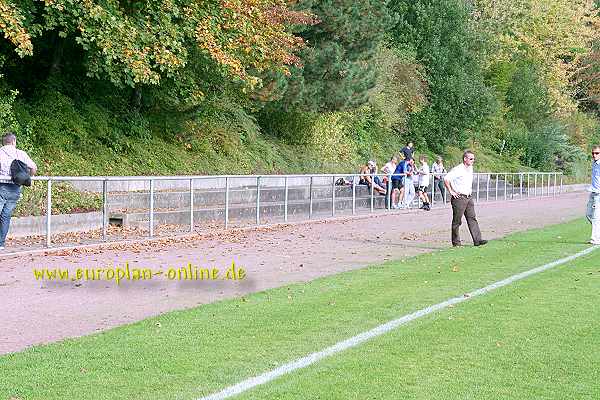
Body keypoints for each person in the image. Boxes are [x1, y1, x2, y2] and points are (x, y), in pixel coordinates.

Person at [0, 132, 37, 250]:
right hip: (15, 189)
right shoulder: (21, 153)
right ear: (14, 141)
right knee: (6, 217)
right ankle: (1, 244)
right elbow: (34, 168)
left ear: (3, 142)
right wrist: (27, 177)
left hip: (1, 186)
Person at [444, 150, 487, 247]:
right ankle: (456, 243)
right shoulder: (458, 169)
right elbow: (446, 179)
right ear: (465, 159)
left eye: (473, 159)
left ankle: (477, 240)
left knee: (472, 218)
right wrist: (451, 191)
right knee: (457, 221)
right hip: (459, 198)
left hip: (468, 197)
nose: (473, 161)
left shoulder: (470, 168)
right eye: (471, 159)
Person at [586, 145, 600, 245]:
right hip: (593, 192)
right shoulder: (594, 164)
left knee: (595, 217)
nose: (594, 155)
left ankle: (595, 239)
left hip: (599, 194)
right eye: (593, 153)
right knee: (588, 214)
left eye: (597, 153)